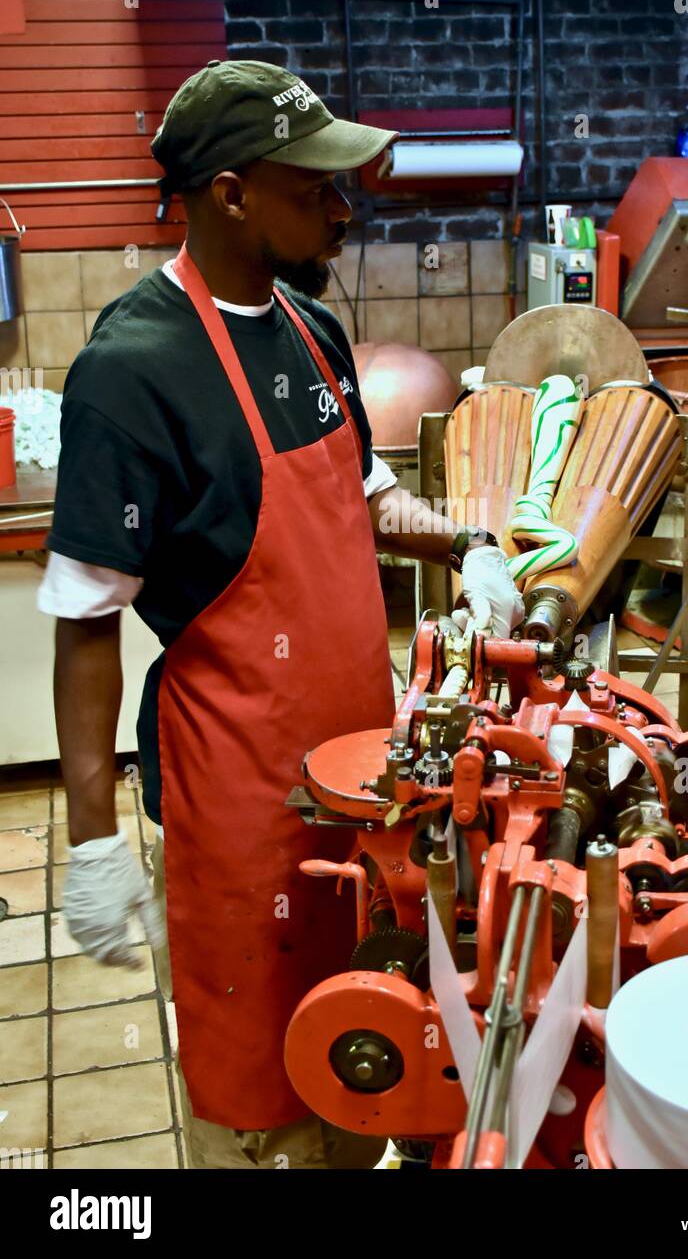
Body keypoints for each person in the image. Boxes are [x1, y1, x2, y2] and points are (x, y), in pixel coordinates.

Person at [38, 60, 524, 1169]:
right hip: (237, 804)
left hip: (362, 790)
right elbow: (82, 623)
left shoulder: (311, 330)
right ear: (230, 192)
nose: (341, 208)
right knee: (259, 1101)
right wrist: (94, 838)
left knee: (359, 1062)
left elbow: (366, 499)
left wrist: (469, 544)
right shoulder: (132, 368)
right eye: (314, 188)